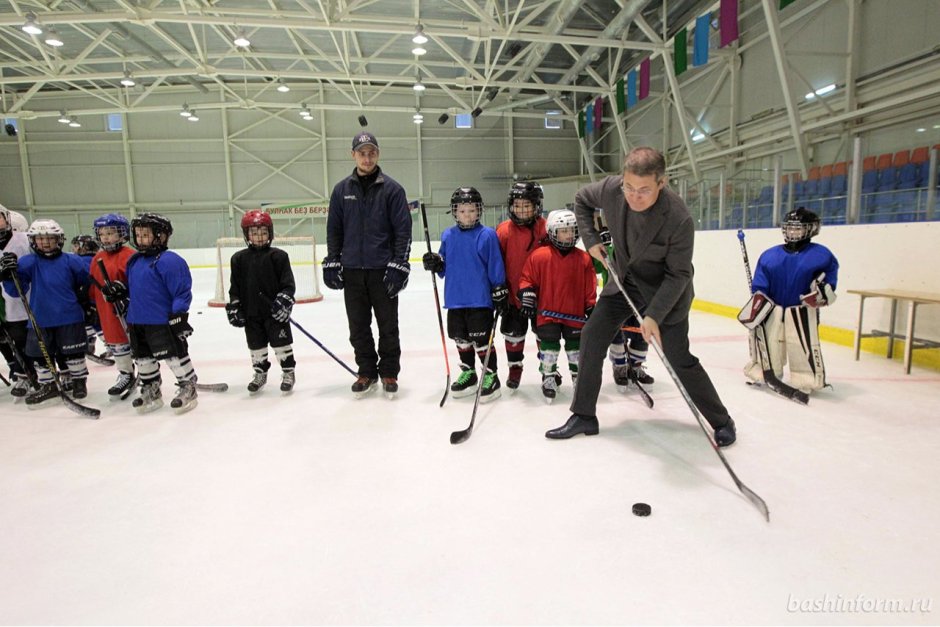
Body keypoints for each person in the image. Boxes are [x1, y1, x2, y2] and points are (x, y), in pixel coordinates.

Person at [545, 146, 737, 447]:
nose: (634, 196)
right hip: (625, 282)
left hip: (665, 292)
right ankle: (584, 415)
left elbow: (679, 275)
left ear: (662, 183)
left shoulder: (678, 218)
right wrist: (592, 239)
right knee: (592, 336)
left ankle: (722, 420)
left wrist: (653, 316)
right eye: (629, 187)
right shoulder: (612, 189)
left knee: (679, 357)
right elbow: (582, 199)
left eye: (644, 190)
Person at [322, 132, 412, 399]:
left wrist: (399, 264)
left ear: (378, 154)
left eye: (371, 152)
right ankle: (366, 371)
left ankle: (389, 372)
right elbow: (334, 229)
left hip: (382, 271)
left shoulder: (393, 190)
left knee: (387, 325)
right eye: (362, 152)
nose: (367, 157)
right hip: (352, 271)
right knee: (358, 326)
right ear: (353, 155)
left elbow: (403, 231)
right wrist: (332, 258)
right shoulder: (341, 190)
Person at [101, 213, 198, 413]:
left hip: (162, 321)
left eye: (145, 235)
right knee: (143, 359)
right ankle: (151, 388)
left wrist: (178, 316)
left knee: (174, 356)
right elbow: (135, 287)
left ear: (161, 236)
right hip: (137, 321)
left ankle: (187, 386)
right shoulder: (135, 260)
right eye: (138, 235)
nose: (140, 239)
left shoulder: (170, 261)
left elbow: (181, 291)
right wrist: (120, 290)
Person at [739, 207, 839, 393]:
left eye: (798, 228)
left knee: (802, 346)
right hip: (773, 309)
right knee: (768, 342)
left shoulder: (822, 255)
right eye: (790, 228)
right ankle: (764, 373)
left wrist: (822, 294)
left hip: (801, 310)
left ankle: (806, 380)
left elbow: (829, 283)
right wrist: (758, 299)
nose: (792, 232)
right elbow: (761, 282)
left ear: (811, 229)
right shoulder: (770, 255)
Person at [422, 187, 508, 400]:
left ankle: (491, 375)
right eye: (462, 211)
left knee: (481, 340)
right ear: (454, 212)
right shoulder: (448, 235)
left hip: (479, 300)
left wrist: (499, 287)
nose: (467, 215)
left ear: (479, 211)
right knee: (461, 339)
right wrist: (434, 263)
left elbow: (495, 264)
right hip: (455, 299)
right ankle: (468, 373)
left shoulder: (487, 234)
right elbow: (444, 267)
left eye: (471, 210)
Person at [0, 219, 91, 406]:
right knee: (40, 355)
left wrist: (85, 301)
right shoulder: (28, 262)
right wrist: (9, 276)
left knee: (74, 353)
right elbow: (16, 291)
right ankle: (48, 385)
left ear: (59, 239)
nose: (45, 242)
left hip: (69, 316)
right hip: (40, 318)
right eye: (40, 239)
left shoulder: (71, 260)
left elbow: (86, 282)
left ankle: (78, 382)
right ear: (33, 241)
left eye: (50, 238)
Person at [517, 209, 596, 402]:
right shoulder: (540, 256)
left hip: (574, 314)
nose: (569, 234)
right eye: (563, 230)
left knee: (576, 350)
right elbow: (527, 279)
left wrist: (591, 305)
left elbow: (590, 285)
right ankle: (549, 377)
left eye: (572, 230)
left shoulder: (583, 258)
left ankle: (579, 379)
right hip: (547, 315)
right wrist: (526, 292)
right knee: (549, 349)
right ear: (552, 232)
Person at [225, 210, 297, 394]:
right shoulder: (238, 259)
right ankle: (260, 374)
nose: (259, 237)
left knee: (281, 345)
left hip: (274, 313)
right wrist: (234, 305)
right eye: (254, 233)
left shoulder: (279, 256)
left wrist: (284, 301)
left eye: (263, 232)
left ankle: (288, 372)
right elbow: (235, 287)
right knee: (256, 347)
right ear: (246, 235)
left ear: (270, 233)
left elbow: (288, 285)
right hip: (251, 313)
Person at [495, 181, 548, 391]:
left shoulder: (545, 228)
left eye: (527, 205)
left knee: (545, 335)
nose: (522, 210)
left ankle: (548, 368)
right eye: (517, 205)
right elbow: (495, 262)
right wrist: (498, 288)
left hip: (542, 295)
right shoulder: (504, 230)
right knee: (513, 334)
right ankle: (514, 369)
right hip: (512, 295)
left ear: (536, 205)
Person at [594, 223, 654, 392]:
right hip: (617, 301)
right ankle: (620, 368)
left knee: (641, 336)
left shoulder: (648, 252)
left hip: (643, 301)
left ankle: (635, 367)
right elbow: (595, 266)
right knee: (617, 336)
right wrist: (602, 246)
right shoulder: (612, 250)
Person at [88, 213, 138, 399]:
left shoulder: (130, 256)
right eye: (102, 233)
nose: (106, 237)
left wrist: (126, 293)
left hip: (128, 309)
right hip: (107, 310)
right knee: (117, 344)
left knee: (137, 343)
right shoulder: (97, 258)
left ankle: (148, 373)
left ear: (122, 234)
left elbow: (138, 283)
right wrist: (91, 304)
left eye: (111, 232)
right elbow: (94, 284)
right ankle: (125, 373)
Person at [0, 204, 36, 398]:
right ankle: (24, 375)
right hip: (10, 307)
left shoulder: (24, 240)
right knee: (19, 341)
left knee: (40, 341)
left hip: (33, 301)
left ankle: (45, 375)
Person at [72, 234, 105, 358]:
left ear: (83, 247)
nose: (74, 249)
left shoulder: (80, 261)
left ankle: (92, 341)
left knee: (91, 321)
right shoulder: (99, 258)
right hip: (100, 297)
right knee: (97, 322)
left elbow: (83, 279)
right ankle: (101, 343)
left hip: (88, 298)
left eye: (76, 245)